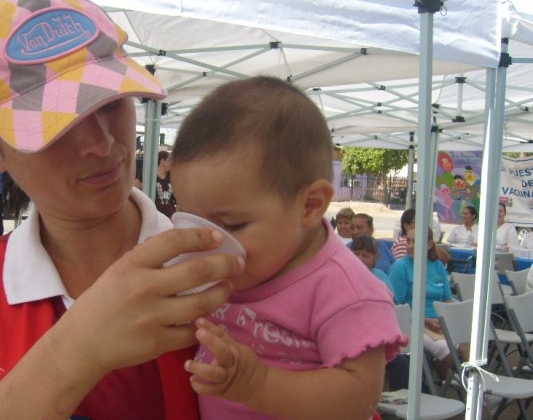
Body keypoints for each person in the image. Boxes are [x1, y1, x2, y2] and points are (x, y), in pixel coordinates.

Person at [0, 0, 240, 419]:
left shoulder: (216, 264)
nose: (102, 144)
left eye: (110, 103)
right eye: (56, 123)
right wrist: (79, 349)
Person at [172, 76, 404, 419]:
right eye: (195, 222)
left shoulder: (346, 292)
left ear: (310, 205)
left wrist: (257, 385)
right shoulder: (236, 266)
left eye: (233, 225)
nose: (211, 243)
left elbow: (360, 399)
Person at [388, 228, 467, 381]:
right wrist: (426, 320)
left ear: (429, 244)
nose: (409, 246)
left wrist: (451, 320)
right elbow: (399, 308)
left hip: (440, 321)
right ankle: (450, 384)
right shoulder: (400, 268)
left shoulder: (437, 266)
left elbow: (447, 299)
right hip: (415, 324)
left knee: (468, 343)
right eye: (408, 241)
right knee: (448, 351)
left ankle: (473, 390)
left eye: (415, 242)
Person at [350, 234, 396, 300]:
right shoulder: (344, 277)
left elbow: (393, 302)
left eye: (366, 256)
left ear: (376, 258)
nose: (360, 259)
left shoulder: (381, 277)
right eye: (356, 254)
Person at [155, 150, 177, 218]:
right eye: (169, 160)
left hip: (170, 215)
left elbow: (177, 198)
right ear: (162, 160)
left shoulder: (172, 178)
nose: (171, 163)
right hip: (156, 215)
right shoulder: (151, 177)